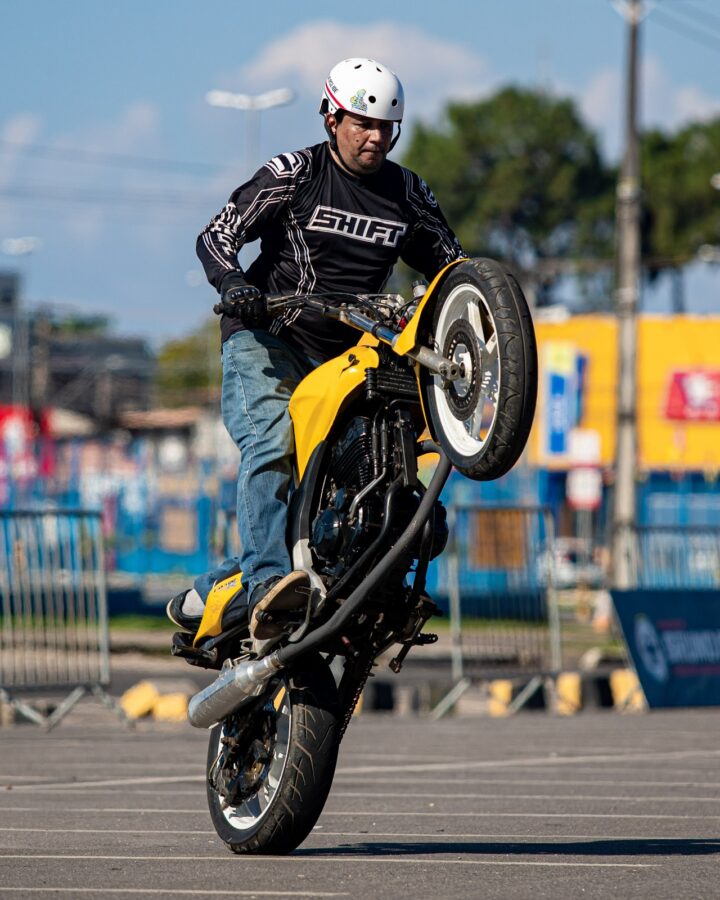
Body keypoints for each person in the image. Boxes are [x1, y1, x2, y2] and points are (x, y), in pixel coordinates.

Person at [167, 57, 465, 646]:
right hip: (267, 341)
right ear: (332, 118)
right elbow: (217, 235)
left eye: (386, 127)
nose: (374, 137)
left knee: (370, 467)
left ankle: (349, 581)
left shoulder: (408, 193)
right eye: (362, 123)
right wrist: (235, 284)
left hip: (345, 360)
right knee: (272, 445)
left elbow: (454, 268)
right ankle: (266, 585)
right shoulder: (295, 173)